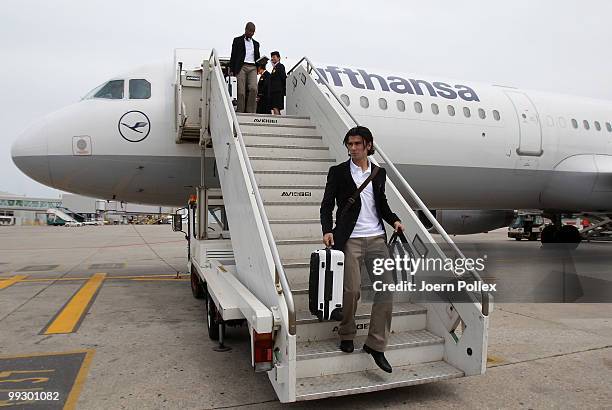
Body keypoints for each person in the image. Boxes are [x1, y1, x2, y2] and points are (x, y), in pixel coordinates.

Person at [320, 126, 405, 374]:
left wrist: (394, 220)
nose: (353, 148)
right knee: (352, 291)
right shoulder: (338, 172)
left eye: (358, 144)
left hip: (377, 238)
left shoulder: (379, 173)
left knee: (386, 290)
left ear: (368, 145)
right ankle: (346, 333)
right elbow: (326, 206)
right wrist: (327, 229)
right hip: (350, 240)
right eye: (350, 144)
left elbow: (382, 203)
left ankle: (376, 345)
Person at [229, 22, 260, 113]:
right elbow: (233, 55)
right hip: (241, 67)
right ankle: (240, 112)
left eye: (253, 32)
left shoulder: (256, 44)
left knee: (254, 88)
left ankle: (250, 112)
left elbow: (257, 57)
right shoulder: (237, 40)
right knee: (241, 92)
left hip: (253, 67)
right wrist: (231, 69)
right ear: (245, 29)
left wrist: (261, 63)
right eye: (250, 31)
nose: (251, 33)